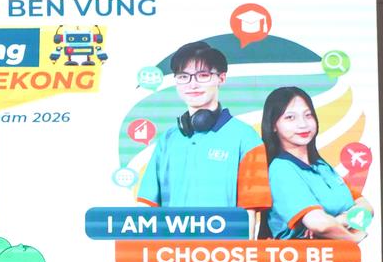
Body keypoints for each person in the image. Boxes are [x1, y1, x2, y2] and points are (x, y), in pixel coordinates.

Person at [137, 41, 271, 226]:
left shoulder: (246, 138)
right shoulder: (167, 139)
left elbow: (250, 213)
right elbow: (146, 205)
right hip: (171, 243)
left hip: (222, 244)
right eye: (183, 76)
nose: (192, 84)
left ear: (221, 78)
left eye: (203, 75)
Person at [261, 86, 372, 241]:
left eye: (308, 115)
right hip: (301, 255)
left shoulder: (322, 166)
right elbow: (319, 225)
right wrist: (354, 237)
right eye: (290, 117)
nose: (303, 124)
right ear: (273, 125)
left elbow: (367, 208)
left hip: (334, 254)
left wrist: (340, 220)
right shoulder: (281, 169)